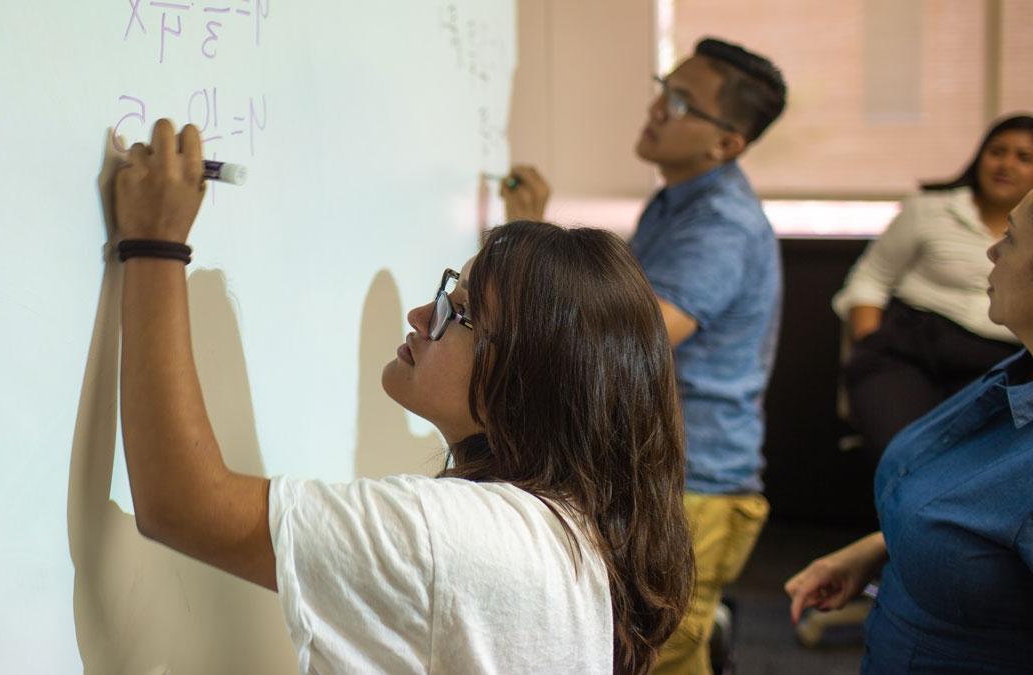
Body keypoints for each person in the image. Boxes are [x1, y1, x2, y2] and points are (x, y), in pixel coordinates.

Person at [106, 118, 696, 674]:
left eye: (457, 313)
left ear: (527, 379)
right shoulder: (569, 523)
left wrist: (155, 246)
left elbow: (181, 505)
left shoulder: (457, 536)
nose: (420, 315)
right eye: (448, 291)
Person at [502, 37, 786, 675]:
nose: (658, 107)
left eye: (681, 102)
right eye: (666, 87)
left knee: (652, 659)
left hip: (697, 483)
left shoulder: (721, 225)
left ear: (726, 144)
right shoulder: (677, 199)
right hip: (669, 471)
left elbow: (627, 341)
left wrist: (532, 245)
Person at [785, 187, 1033, 673]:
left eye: (1012, 239)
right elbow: (978, 513)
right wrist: (884, 547)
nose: (991, 250)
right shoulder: (1013, 372)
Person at [833, 115, 1033, 459]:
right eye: (997, 151)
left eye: (1024, 157)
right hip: (910, 350)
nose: (1006, 165)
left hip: (1000, 361)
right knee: (907, 452)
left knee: (978, 465)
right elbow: (869, 280)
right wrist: (868, 341)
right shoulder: (929, 210)